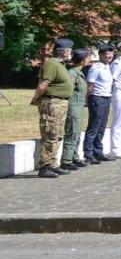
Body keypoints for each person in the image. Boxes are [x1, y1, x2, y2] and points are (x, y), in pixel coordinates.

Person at [31, 38, 75, 178]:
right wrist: (36, 98)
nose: (71, 53)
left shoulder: (61, 65)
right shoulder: (51, 64)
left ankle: (53, 163)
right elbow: (43, 84)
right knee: (50, 133)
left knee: (58, 135)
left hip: (61, 104)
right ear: (64, 51)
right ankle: (45, 166)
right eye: (70, 50)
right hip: (52, 104)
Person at [60, 47, 91, 171]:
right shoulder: (72, 73)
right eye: (88, 57)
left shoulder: (80, 72)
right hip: (73, 106)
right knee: (72, 132)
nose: (90, 59)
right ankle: (66, 160)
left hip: (79, 107)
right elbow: (69, 91)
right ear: (82, 60)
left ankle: (74, 156)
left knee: (77, 132)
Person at [83, 44, 114, 163]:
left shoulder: (107, 67)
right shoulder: (96, 67)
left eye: (111, 53)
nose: (110, 56)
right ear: (100, 55)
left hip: (106, 98)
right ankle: (88, 153)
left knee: (102, 126)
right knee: (94, 126)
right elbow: (90, 85)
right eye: (107, 54)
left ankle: (98, 150)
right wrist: (88, 99)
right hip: (97, 98)